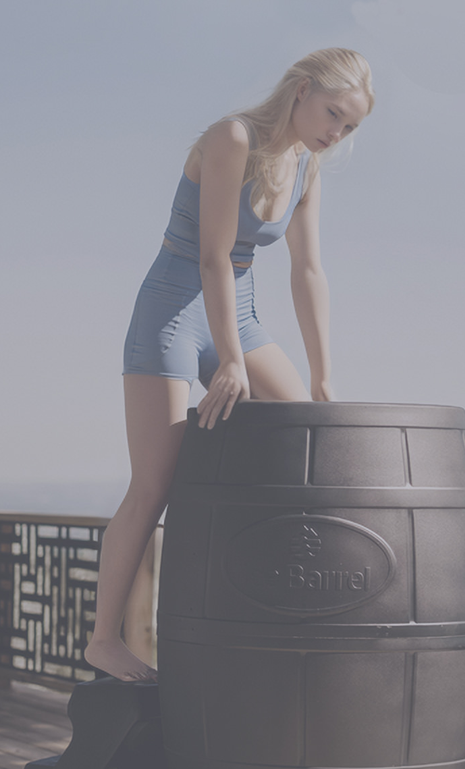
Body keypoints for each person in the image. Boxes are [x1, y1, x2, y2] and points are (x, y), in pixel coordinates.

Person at [84, 48, 374, 682]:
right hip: (171, 310)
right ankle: (104, 639)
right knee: (153, 484)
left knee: (304, 436)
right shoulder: (231, 138)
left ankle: (266, 607)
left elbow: (308, 270)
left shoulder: (308, 168)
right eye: (333, 115)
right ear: (301, 91)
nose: (335, 133)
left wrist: (323, 377)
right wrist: (232, 364)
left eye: (349, 127)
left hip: (238, 314)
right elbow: (213, 257)